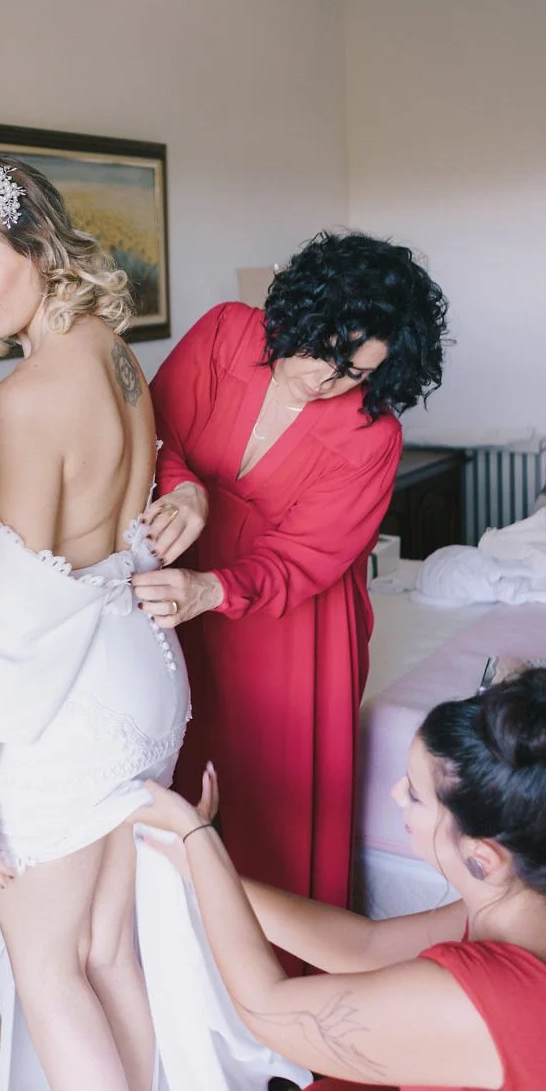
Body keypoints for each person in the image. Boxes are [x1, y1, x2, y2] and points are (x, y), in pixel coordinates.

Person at [0, 158, 307, 1091]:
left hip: (66, 705)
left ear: (33, 245)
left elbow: (15, 617)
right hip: (141, 675)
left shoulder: (27, 396)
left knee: (51, 970)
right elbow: (90, 520)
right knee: (106, 951)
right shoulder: (113, 352)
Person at [129, 232, 448, 918]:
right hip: (179, 590)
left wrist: (213, 589)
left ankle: (275, 979)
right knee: (178, 768)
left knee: (271, 804)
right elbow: (156, 429)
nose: (329, 381)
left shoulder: (372, 437)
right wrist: (184, 489)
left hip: (290, 625)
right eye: (328, 354)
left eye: (356, 374)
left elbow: (305, 557)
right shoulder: (223, 334)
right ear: (303, 313)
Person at [135, 663, 546, 1091]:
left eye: (415, 796)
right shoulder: (524, 900)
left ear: (483, 857)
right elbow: (365, 947)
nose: (397, 794)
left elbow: (268, 1009)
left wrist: (200, 841)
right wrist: (201, 870)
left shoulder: (489, 998)